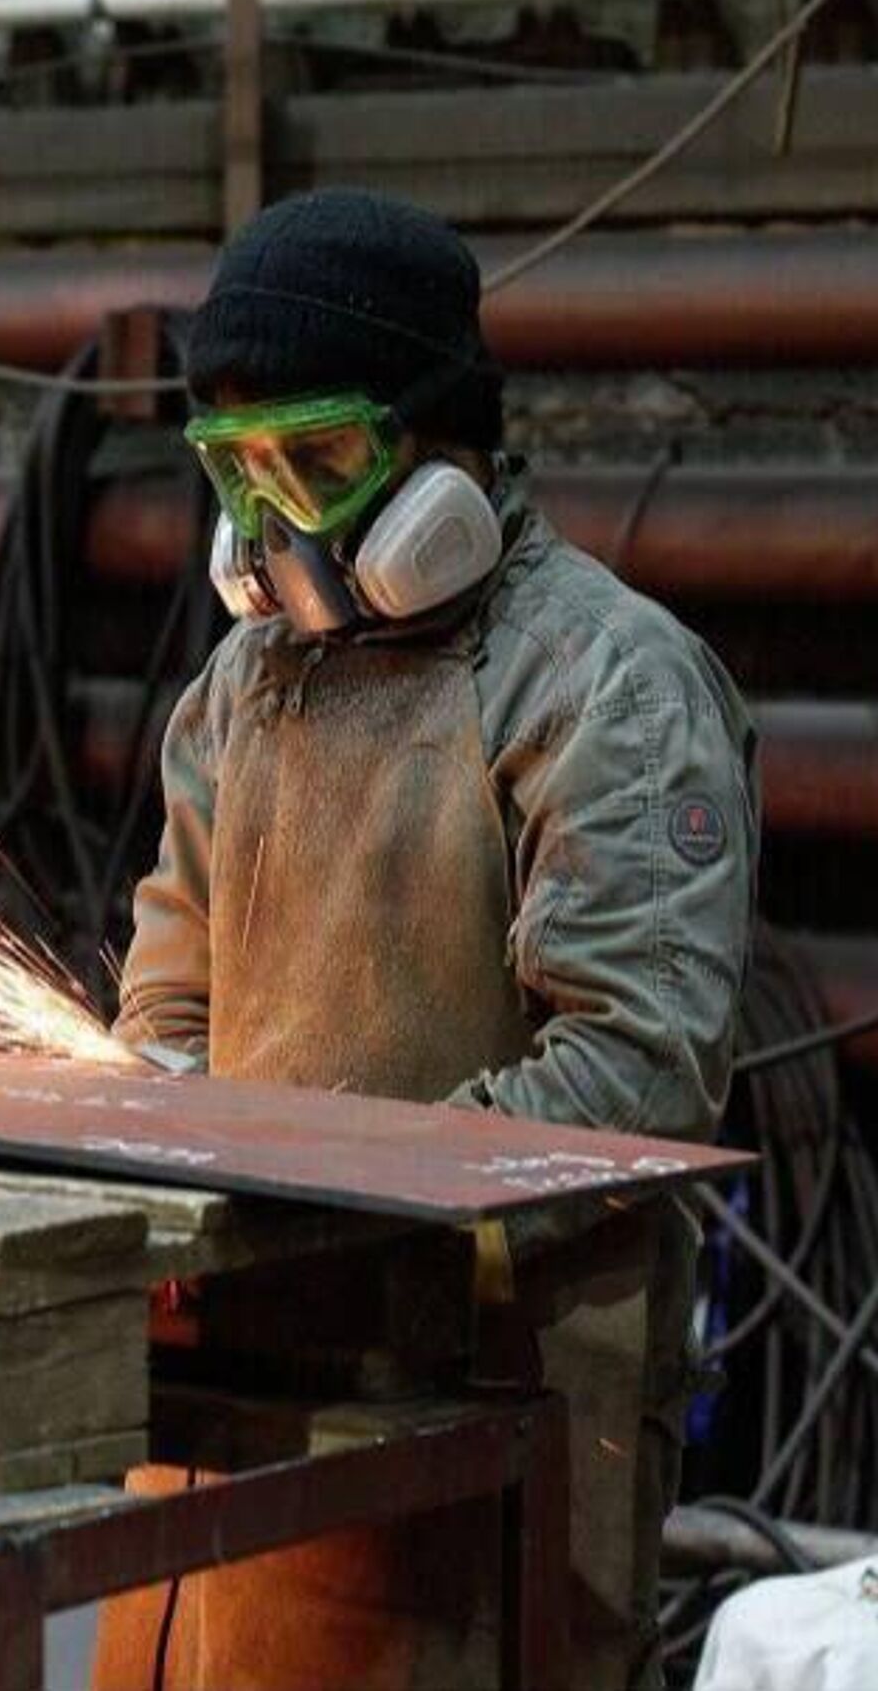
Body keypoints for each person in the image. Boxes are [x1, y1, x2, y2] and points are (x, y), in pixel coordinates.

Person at [98, 189, 759, 1691]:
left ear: (444, 448)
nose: (283, 518)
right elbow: (168, 997)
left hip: (491, 1413)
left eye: (320, 461)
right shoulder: (242, 683)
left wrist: (341, 1221)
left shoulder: (606, 685)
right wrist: (159, 1136)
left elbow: (633, 1069)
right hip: (235, 1395)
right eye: (242, 469)